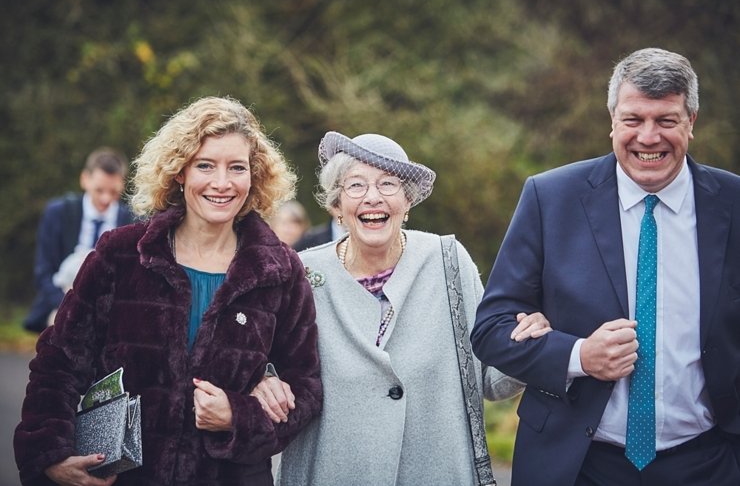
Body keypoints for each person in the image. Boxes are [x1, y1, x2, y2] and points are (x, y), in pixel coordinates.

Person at [14, 96, 322, 486]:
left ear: (254, 176)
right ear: (179, 171)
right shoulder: (120, 254)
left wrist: (239, 415)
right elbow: (58, 362)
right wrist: (51, 453)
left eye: (237, 168)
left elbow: (306, 388)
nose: (222, 183)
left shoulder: (279, 271)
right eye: (205, 165)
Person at [471, 47, 740, 486]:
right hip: (579, 465)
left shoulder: (733, 202)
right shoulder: (549, 197)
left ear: (691, 122)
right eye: (633, 120)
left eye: (666, 120)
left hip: (708, 461)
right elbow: (491, 329)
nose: (648, 137)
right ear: (612, 119)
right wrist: (579, 356)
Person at [252, 131, 551, 485]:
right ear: (336, 207)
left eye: (388, 184)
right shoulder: (300, 274)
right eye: (356, 186)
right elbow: (259, 363)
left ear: (407, 202)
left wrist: (529, 344)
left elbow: (490, 378)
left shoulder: (448, 263)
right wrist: (262, 379)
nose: (373, 197)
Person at [23, 147, 134, 333]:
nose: (106, 198)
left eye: (113, 192)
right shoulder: (58, 213)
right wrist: (68, 305)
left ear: (122, 185)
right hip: (61, 303)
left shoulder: (132, 221)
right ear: (85, 179)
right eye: (99, 190)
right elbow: (43, 272)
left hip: (111, 309)